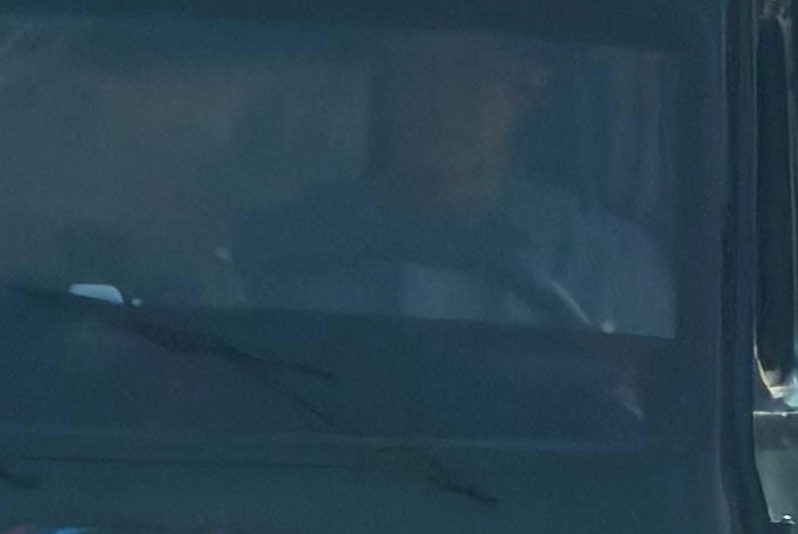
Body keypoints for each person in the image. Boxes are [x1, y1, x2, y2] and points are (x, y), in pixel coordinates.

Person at [248, 31, 674, 336]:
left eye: (471, 73)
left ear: (527, 88)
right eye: (415, 69)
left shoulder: (610, 264)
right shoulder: (283, 247)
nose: (437, 101)